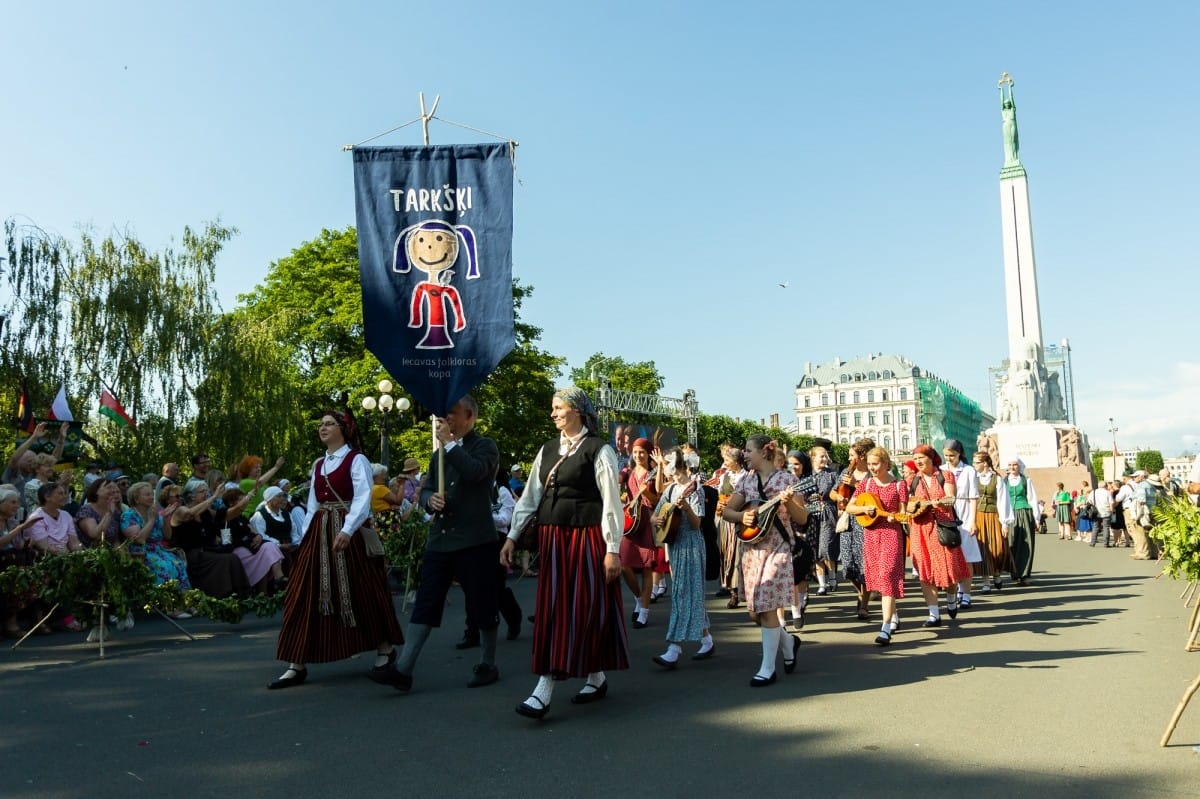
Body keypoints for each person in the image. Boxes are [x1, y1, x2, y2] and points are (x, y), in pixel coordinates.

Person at [500, 387, 627, 720]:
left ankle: (545, 688)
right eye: (553, 407)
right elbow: (530, 496)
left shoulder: (600, 451)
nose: (553, 413)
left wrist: (612, 548)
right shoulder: (547, 450)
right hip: (553, 538)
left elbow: (612, 504)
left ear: (577, 411)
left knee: (580, 607)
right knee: (557, 608)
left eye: (558, 407)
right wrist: (512, 535)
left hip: (586, 538)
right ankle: (595, 676)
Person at [370, 395, 504, 693]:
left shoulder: (485, 446)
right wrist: (431, 498)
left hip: (474, 539)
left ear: (469, 416)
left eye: (452, 414)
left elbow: (475, 472)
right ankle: (404, 668)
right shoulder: (439, 455)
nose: (445, 420)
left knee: (482, 602)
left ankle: (488, 662)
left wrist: (451, 445)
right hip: (441, 538)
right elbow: (429, 485)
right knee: (426, 600)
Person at [269, 410, 403, 689]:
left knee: (362, 589)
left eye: (329, 424)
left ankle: (385, 649)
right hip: (320, 532)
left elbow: (363, 497)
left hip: (347, 532)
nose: (323, 428)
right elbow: (313, 504)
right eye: (321, 425)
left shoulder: (357, 460)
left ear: (344, 429)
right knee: (304, 593)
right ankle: (296, 663)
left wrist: (347, 530)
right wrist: (305, 538)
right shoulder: (319, 465)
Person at [719, 434, 807, 687]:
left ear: (763, 453)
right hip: (752, 549)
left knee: (768, 607)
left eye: (748, 450)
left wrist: (789, 503)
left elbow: (801, 519)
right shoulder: (746, 479)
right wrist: (742, 517)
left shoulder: (788, 480)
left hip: (778, 549)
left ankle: (767, 668)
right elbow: (727, 511)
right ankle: (789, 643)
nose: (744, 455)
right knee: (756, 613)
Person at [650, 446, 713, 669]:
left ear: (682, 466)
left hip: (692, 547)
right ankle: (706, 639)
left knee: (682, 594)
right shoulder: (670, 490)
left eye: (670, 465)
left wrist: (686, 508)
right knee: (687, 592)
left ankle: (674, 648)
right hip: (675, 546)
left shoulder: (694, 490)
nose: (668, 469)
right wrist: (656, 521)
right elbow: (655, 515)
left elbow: (697, 525)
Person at [844, 447, 908, 644]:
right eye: (870, 464)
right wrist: (865, 508)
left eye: (876, 464)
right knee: (881, 579)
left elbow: (903, 514)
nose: (872, 468)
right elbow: (850, 507)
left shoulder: (899, 485)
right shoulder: (866, 483)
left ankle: (885, 628)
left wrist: (895, 518)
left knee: (888, 576)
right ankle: (894, 616)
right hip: (871, 535)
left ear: (886, 463)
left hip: (891, 535)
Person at [907, 445, 972, 626]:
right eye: (916, 459)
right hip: (920, 530)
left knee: (949, 569)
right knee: (925, 573)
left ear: (931, 458)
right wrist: (912, 507)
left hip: (943, 527)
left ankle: (951, 596)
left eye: (922, 457)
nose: (918, 461)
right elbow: (908, 506)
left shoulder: (945, 475)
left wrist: (938, 502)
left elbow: (951, 498)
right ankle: (934, 614)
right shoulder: (912, 480)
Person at [168, 482, 252, 599]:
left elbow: (226, 516)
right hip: (191, 554)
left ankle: (240, 594)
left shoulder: (206, 512)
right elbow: (190, 514)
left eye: (207, 491)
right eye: (203, 492)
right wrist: (214, 496)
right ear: (192, 496)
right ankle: (221, 595)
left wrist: (250, 494)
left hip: (208, 549)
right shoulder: (181, 510)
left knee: (232, 557)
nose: (206, 494)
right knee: (225, 560)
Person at [619, 437, 661, 628]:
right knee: (623, 564)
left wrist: (646, 493)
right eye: (635, 452)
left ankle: (644, 611)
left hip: (647, 520)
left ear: (648, 453)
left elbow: (657, 499)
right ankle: (638, 598)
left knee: (646, 567)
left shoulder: (654, 472)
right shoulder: (628, 471)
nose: (638, 455)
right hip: (630, 520)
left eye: (642, 452)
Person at [121, 482, 191, 593]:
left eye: (151, 494)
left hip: (159, 550)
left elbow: (168, 536)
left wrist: (166, 518)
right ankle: (163, 602)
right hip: (140, 553)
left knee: (178, 563)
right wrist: (152, 520)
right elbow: (139, 539)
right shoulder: (129, 515)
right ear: (136, 499)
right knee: (163, 566)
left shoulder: (154, 513)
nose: (151, 497)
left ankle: (183, 601)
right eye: (147, 495)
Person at [834, 439, 874, 618]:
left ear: (862, 456)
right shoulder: (845, 472)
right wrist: (838, 497)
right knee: (848, 567)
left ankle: (864, 605)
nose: (849, 458)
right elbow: (832, 491)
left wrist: (855, 485)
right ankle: (861, 593)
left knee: (863, 565)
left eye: (852, 455)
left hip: (865, 522)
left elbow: (873, 496)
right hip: (847, 522)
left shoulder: (873, 474)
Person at [941, 439, 981, 608]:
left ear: (959, 454)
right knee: (951, 556)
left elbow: (973, 497)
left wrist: (973, 520)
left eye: (952, 455)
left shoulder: (969, 470)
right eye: (946, 455)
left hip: (964, 511)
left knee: (967, 557)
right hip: (947, 514)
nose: (949, 459)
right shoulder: (941, 471)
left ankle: (966, 594)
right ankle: (956, 588)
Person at [783, 450, 819, 629]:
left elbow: (815, 505)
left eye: (796, 463)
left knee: (803, 565)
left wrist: (806, 508)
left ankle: (802, 598)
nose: (793, 467)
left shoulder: (809, 482)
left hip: (805, 526)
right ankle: (796, 603)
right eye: (790, 464)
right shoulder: (782, 481)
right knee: (791, 567)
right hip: (785, 527)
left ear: (803, 465)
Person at [971, 452, 1012, 590]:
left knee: (997, 546)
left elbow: (1003, 500)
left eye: (976, 462)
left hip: (994, 516)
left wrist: (1004, 523)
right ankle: (986, 581)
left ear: (985, 463)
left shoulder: (997, 479)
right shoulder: (974, 479)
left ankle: (997, 573)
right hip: (979, 516)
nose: (974, 465)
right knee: (983, 548)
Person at [714, 444, 748, 607]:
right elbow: (719, 497)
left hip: (741, 520)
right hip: (726, 522)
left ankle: (743, 589)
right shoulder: (724, 477)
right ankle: (732, 591)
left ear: (736, 461)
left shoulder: (747, 477)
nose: (725, 462)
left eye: (728, 459)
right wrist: (719, 505)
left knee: (739, 555)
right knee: (726, 555)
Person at [997, 458, 1040, 584]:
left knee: (1027, 543)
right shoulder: (1004, 482)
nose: (1012, 467)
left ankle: (1025, 574)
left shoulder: (1026, 480)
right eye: (1009, 465)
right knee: (1011, 543)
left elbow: (1032, 499)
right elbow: (1000, 500)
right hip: (1009, 514)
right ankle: (1015, 572)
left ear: (1019, 466)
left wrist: (1036, 518)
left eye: (1014, 464)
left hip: (1024, 513)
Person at [808, 445, 840, 609]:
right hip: (812, 514)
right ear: (812, 457)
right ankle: (822, 584)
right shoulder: (808, 476)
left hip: (828, 512)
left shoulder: (832, 474)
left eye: (825, 456)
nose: (824, 459)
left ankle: (833, 576)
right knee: (815, 549)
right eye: (821, 456)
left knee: (825, 546)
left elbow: (836, 494)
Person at [74, 477, 124, 548]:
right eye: (109, 487)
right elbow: (95, 535)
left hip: (109, 554)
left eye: (114, 488)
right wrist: (108, 514)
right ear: (96, 491)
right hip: (90, 554)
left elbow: (115, 540)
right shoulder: (86, 510)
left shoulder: (116, 512)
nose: (113, 490)